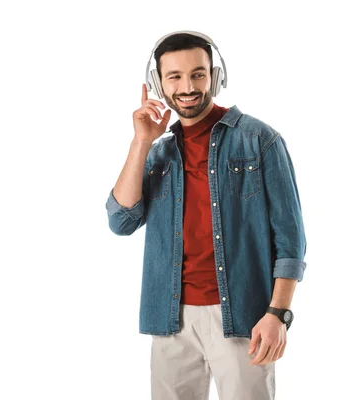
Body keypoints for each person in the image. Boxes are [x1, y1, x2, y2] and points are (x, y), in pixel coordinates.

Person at [105, 30, 307, 400]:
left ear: (215, 76)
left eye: (198, 74)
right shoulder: (159, 153)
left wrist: (278, 314)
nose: (187, 86)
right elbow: (121, 220)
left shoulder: (260, 140)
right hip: (170, 319)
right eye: (175, 77)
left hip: (244, 319)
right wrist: (141, 142)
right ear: (158, 83)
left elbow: (291, 241)